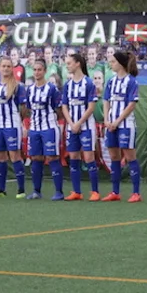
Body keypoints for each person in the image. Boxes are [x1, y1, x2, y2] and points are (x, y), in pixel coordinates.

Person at [102, 50, 141, 202]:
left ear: (121, 63)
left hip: (125, 125)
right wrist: (106, 119)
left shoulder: (131, 81)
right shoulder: (111, 81)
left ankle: (136, 193)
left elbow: (132, 104)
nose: (111, 64)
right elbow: (106, 100)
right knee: (114, 157)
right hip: (111, 124)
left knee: (130, 157)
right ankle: (115, 192)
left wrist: (117, 121)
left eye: (113, 62)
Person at [23, 60, 64, 201]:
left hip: (49, 128)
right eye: (34, 70)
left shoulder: (52, 89)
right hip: (34, 129)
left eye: (39, 70)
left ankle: (59, 192)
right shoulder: (30, 90)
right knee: (36, 158)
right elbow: (28, 109)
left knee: (52, 157)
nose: (36, 72)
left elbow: (59, 109)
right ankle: (36, 191)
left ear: (45, 71)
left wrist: (57, 122)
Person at [0, 57, 28, 198]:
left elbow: (23, 107)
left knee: (15, 155)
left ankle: (21, 189)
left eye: (8, 66)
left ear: (12, 69)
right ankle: (1, 189)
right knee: (0, 156)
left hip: (12, 125)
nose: (5, 69)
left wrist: (19, 121)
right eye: (3, 66)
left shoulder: (18, 86)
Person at [61, 52, 99, 201]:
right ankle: (76, 191)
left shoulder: (88, 83)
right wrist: (71, 123)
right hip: (72, 127)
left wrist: (78, 123)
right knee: (73, 157)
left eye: (69, 63)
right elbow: (64, 106)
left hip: (86, 126)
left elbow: (91, 107)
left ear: (77, 64)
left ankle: (95, 191)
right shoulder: (68, 85)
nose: (67, 66)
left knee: (89, 157)